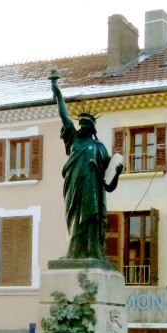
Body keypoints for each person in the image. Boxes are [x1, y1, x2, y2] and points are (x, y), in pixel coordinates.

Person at [52, 73, 122, 260]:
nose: (81, 125)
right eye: (80, 122)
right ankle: (73, 252)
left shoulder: (100, 148)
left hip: (92, 189)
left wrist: (117, 171)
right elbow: (64, 116)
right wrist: (58, 93)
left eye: (85, 123)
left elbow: (109, 181)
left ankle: (94, 252)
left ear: (92, 128)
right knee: (74, 218)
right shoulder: (73, 139)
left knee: (92, 219)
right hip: (74, 186)